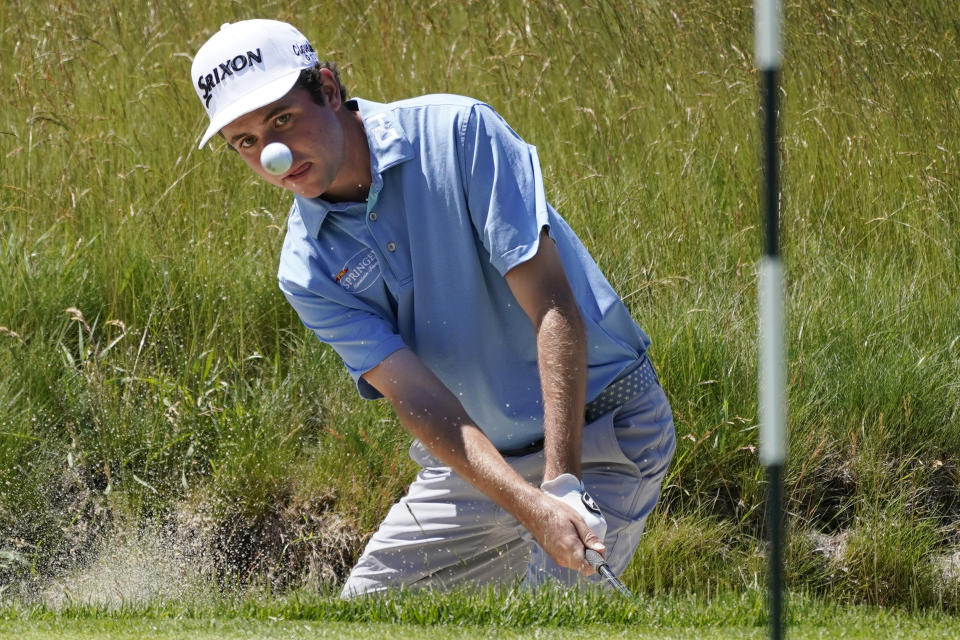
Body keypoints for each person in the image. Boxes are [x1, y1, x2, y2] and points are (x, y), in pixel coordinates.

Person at [190, 19, 675, 597]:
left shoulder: (459, 133)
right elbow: (419, 399)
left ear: (327, 87)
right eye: (245, 141)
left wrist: (562, 486)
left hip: (601, 430)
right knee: (364, 613)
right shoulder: (306, 270)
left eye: (282, 120)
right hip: (479, 471)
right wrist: (528, 503)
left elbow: (552, 305)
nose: (273, 154)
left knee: (556, 614)